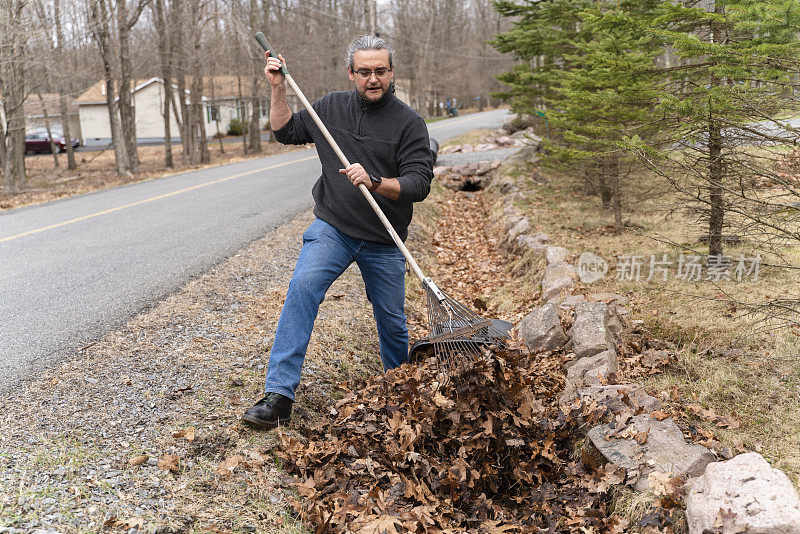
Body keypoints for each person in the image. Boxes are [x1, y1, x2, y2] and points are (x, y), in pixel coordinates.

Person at [242, 35, 434, 430]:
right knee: (303, 286)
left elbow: (419, 184)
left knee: (392, 321)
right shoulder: (331, 107)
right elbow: (284, 131)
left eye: (381, 70)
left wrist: (377, 181)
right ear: (351, 73)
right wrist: (277, 89)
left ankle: (398, 390)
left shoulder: (409, 123)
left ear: (392, 72)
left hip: (384, 239)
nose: (373, 78)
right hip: (334, 227)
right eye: (364, 71)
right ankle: (279, 395)